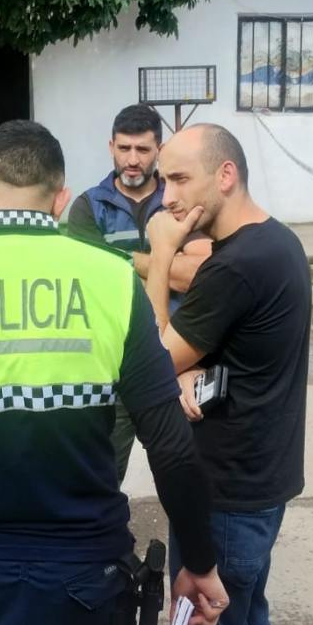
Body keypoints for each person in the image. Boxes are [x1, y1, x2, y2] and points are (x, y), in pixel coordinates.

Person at [0, 120, 229, 625]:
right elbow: (171, 447)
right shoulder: (112, 277)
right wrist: (200, 564)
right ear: (61, 199)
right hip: (87, 573)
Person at [144, 124, 311, 625]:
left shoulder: (235, 266)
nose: (167, 199)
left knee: (208, 620)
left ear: (225, 175)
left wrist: (161, 254)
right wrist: (189, 368)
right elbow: (238, 347)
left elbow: (154, 362)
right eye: (163, 181)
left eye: (179, 179)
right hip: (262, 480)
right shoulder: (276, 241)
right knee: (247, 614)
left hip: (225, 494)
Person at [68, 103, 211, 483]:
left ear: (158, 151)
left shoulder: (181, 203)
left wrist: (120, 258)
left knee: (187, 473)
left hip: (176, 358)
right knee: (101, 477)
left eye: (143, 150)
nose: (133, 160)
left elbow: (197, 276)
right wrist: (167, 256)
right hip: (112, 361)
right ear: (111, 147)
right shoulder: (88, 207)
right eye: (124, 148)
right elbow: (89, 281)